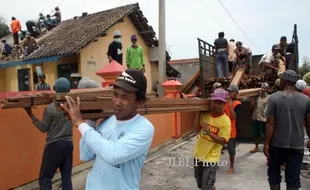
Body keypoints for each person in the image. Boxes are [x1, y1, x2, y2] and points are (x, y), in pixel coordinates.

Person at [61, 69, 155, 190]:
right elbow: (85, 155)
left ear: (140, 102)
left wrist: (80, 123)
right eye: (115, 95)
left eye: (125, 97)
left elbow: (113, 155)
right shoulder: (108, 121)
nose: (117, 102)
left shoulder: (143, 128)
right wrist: (91, 120)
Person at [264, 70, 310, 190]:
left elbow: (270, 123)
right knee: (293, 178)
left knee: (274, 173)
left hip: (277, 145)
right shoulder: (306, 100)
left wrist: (266, 143)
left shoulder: (274, 98)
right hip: (297, 145)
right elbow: (309, 124)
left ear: (283, 81)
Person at [24, 77, 73, 190]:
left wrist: (30, 113)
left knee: (45, 178)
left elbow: (43, 128)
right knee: (66, 177)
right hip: (69, 144)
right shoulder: (72, 105)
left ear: (54, 89)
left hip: (54, 145)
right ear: (69, 90)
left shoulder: (50, 108)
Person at [193, 88, 231, 189]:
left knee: (206, 186)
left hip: (212, 157)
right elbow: (196, 130)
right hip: (199, 154)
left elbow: (223, 142)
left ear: (224, 104)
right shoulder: (205, 114)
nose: (217, 105)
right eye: (215, 102)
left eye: (220, 103)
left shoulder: (225, 121)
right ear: (211, 101)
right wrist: (197, 113)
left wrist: (209, 132)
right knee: (200, 185)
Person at [224, 84, 242, 174]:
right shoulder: (223, 101)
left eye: (232, 91)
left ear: (236, 93)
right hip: (221, 129)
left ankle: (231, 167)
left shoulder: (237, 104)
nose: (229, 93)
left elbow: (234, 117)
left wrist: (230, 105)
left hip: (230, 130)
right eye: (229, 91)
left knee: (231, 150)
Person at [250, 83, 270, 153]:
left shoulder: (269, 97)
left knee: (265, 134)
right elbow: (251, 107)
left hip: (264, 118)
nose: (263, 89)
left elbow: (268, 109)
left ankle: (266, 146)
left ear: (268, 89)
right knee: (256, 133)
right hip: (255, 117)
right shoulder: (257, 96)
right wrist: (252, 99)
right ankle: (256, 147)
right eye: (262, 87)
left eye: (265, 88)